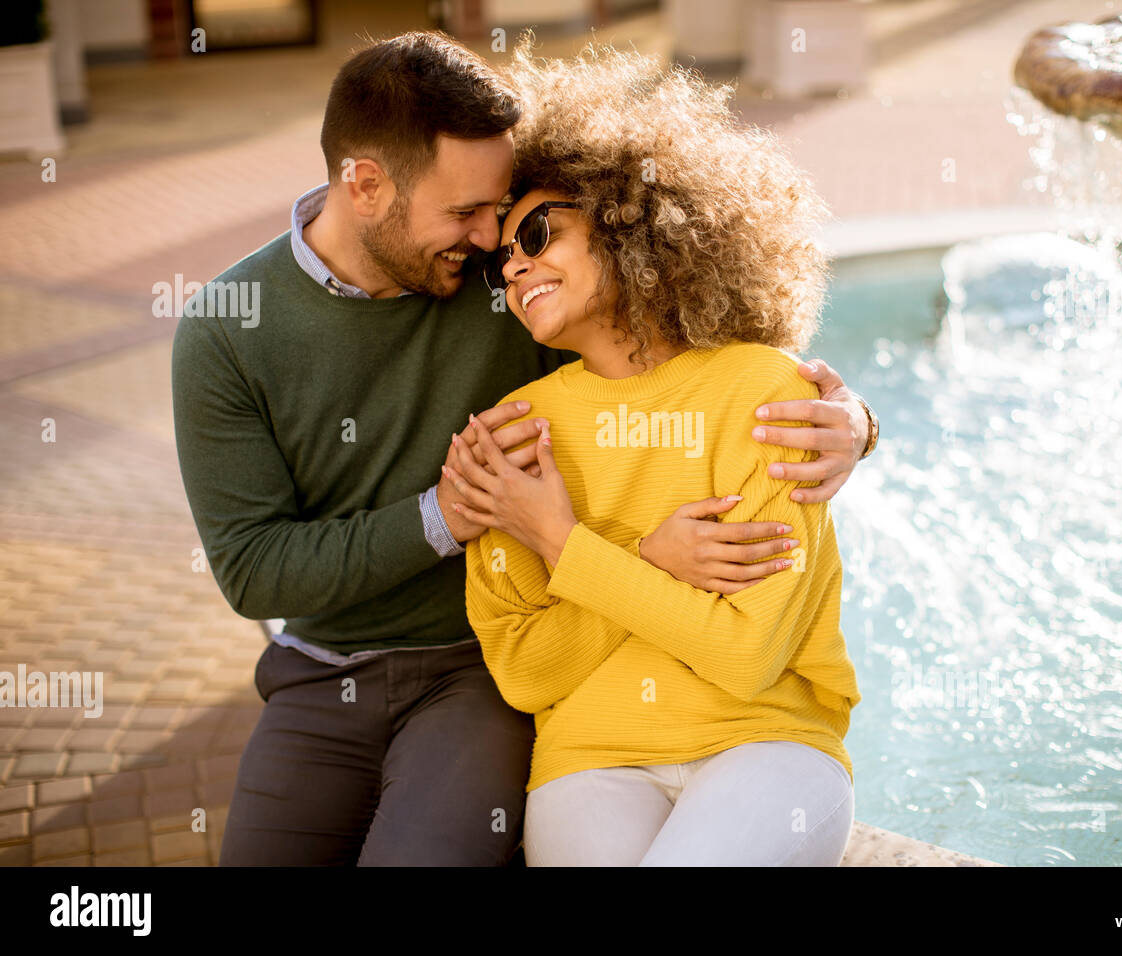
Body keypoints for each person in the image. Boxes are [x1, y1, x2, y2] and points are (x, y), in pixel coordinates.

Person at [171, 30, 877, 867]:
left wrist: (859, 423)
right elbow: (255, 572)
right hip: (326, 669)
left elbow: (663, 351)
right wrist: (455, 513)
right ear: (365, 186)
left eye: (514, 223)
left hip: (474, 678)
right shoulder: (230, 329)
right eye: (473, 218)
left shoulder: (519, 291)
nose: (492, 252)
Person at [448, 43, 864, 866]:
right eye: (506, 255)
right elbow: (528, 673)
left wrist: (567, 547)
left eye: (540, 230)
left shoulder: (763, 393)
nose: (519, 261)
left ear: (625, 216)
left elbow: (745, 657)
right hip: (590, 761)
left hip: (767, 743)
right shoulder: (515, 432)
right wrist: (652, 559)